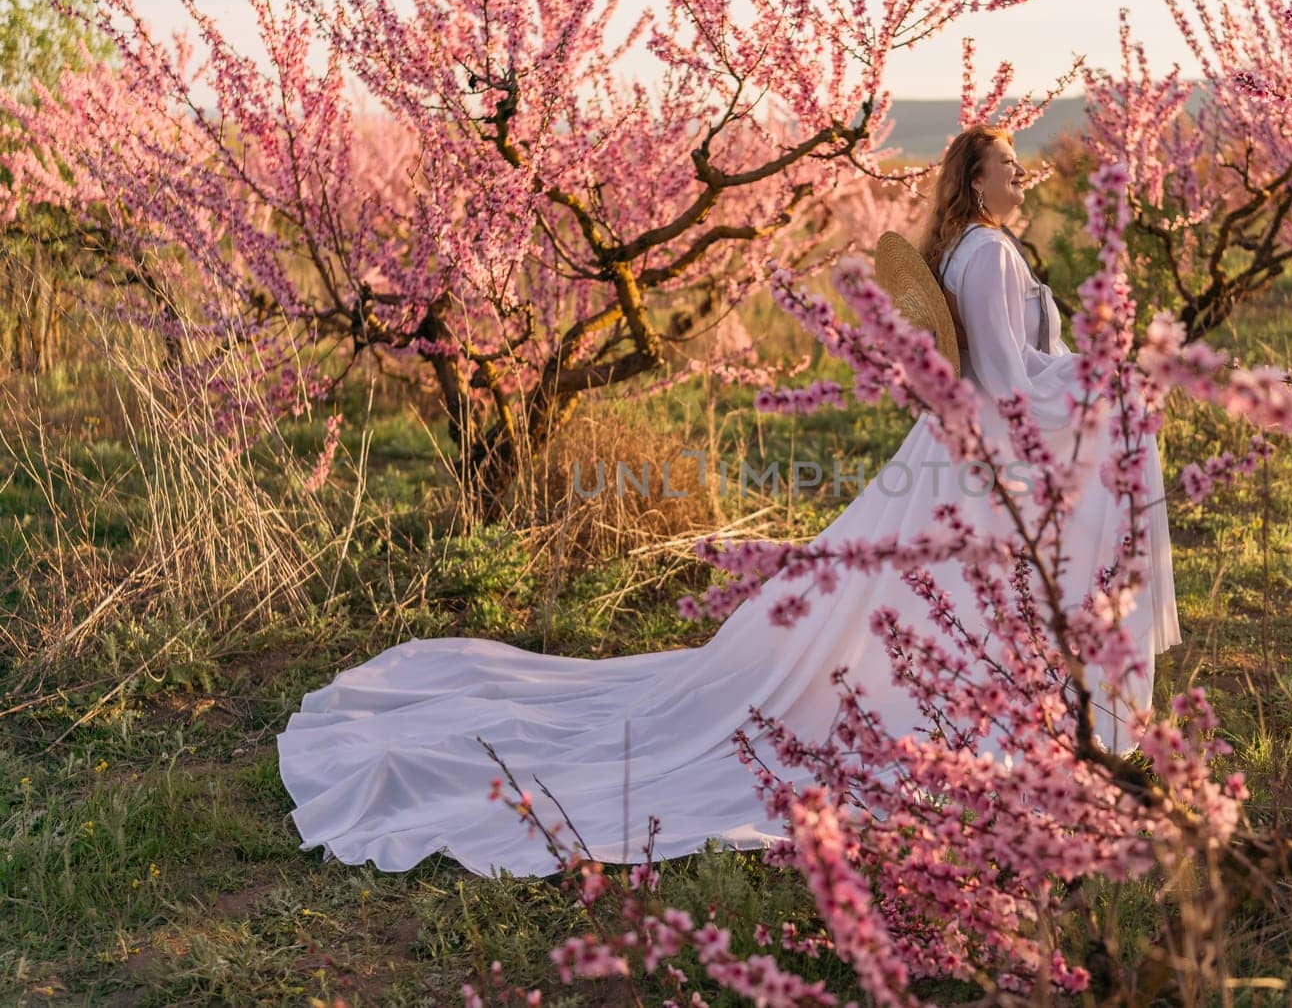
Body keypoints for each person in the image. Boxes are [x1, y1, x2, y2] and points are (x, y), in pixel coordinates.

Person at [276, 124, 1180, 879]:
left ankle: (986, 701)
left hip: (978, 455)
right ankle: (948, 710)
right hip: (981, 455)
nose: (1022, 176)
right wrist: (1103, 380)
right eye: (1008, 165)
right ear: (976, 179)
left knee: (934, 596)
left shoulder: (989, 246)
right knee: (934, 595)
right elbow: (1006, 380)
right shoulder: (987, 255)